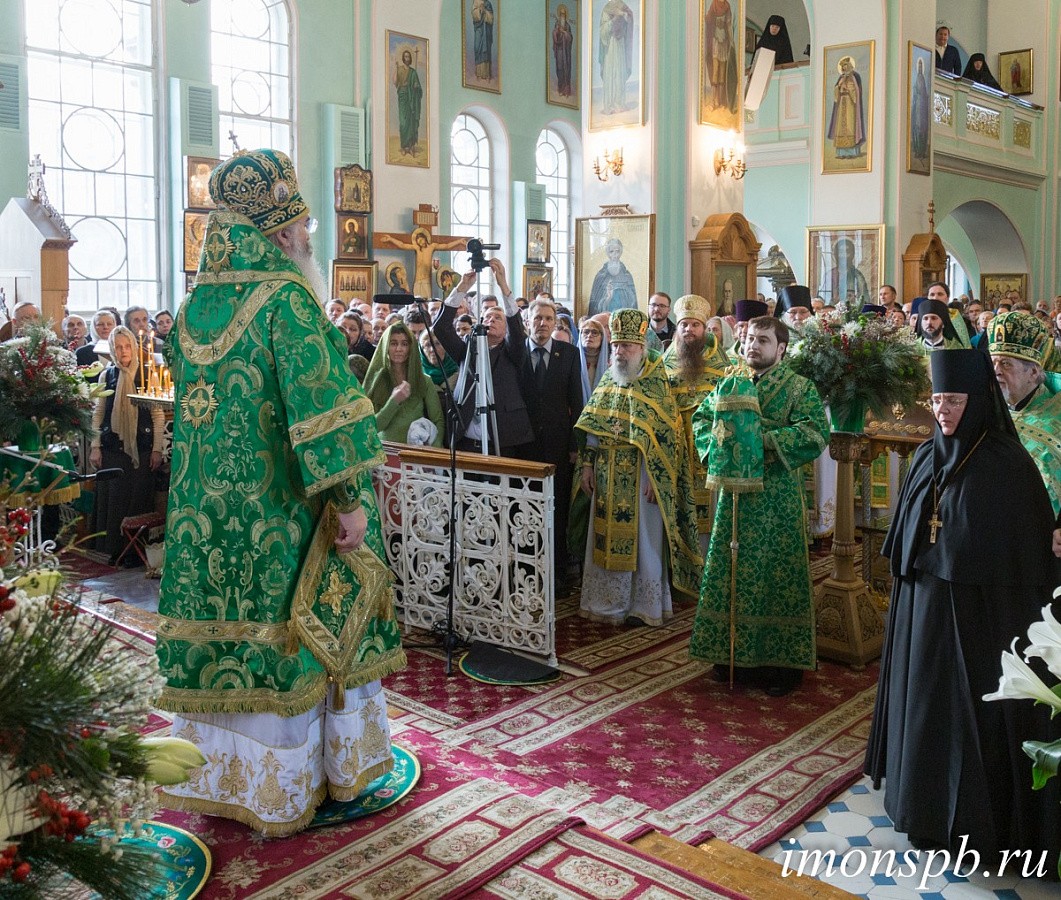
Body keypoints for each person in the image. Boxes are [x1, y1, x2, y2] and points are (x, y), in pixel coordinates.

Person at [156, 149, 406, 836]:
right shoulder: (287, 299)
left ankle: (227, 776)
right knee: (304, 638)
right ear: (281, 230)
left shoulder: (195, 306)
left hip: (207, 517)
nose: (306, 239)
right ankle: (303, 782)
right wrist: (348, 500)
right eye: (301, 227)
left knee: (236, 640)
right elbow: (323, 411)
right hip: (287, 512)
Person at [865, 349, 1060, 868]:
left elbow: (1028, 561)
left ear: (977, 400)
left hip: (982, 622)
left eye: (953, 400)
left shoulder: (1009, 466)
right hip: (924, 615)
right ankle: (923, 810)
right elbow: (908, 543)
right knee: (926, 708)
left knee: (971, 720)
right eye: (936, 400)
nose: (943, 411)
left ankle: (978, 824)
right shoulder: (926, 456)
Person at [690, 316, 830, 696]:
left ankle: (779, 665)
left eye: (763, 340)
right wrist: (720, 447)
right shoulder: (731, 382)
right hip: (734, 496)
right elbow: (702, 419)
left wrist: (761, 438)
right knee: (731, 571)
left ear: (781, 348)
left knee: (776, 574)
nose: (753, 346)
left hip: (777, 496)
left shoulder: (799, 387)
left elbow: (816, 433)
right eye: (750, 339)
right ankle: (729, 654)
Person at [576, 308, 702, 626]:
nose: (620, 352)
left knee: (645, 542)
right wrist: (588, 466)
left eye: (627, 346)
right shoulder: (609, 378)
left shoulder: (656, 382)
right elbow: (592, 427)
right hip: (607, 473)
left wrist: (657, 478)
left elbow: (668, 437)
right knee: (604, 539)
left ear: (641, 347)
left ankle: (643, 607)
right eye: (616, 345)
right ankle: (607, 603)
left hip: (643, 476)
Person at [434, 259, 534, 457]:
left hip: (503, 441)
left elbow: (516, 331)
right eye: (487, 317)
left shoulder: (513, 352)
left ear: (506, 328)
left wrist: (503, 286)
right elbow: (441, 328)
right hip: (466, 442)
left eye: (498, 318)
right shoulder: (467, 350)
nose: (491, 320)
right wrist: (461, 288)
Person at [522, 299, 584, 595]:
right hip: (522, 444)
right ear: (528, 321)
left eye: (549, 319)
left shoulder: (568, 353)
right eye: (538, 318)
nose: (543, 324)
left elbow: (576, 400)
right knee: (524, 507)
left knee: (555, 509)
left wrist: (574, 444)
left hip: (557, 445)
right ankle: (525, 570)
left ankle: (556, 574)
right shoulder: (517, 352)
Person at [88, 326, 165, 563]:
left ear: (134, 346)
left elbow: (157, 414)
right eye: (118, 347)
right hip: (113, 447)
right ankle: (113, 550)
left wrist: (157, 449)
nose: (123, 351)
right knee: (114, 501)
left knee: (138, 500)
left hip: (141, 448)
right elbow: (99, 412)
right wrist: (95, 446)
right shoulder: (107, 375)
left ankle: (134, 554)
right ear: (112, 349)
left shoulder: (147, 374)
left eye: (127, 346)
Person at [662, 294, 731, 549]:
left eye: (695, 325)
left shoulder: (722, 364)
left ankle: (709, 557)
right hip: (677, 445)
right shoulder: (666, 363)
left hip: (709, 446)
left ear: (704, 329)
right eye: (684, 324)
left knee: (710, 507)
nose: (688, 329)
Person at [988, 311, 1061, 516]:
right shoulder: (985, 410)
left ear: (1033, 372)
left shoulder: (1056, 414)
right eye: (993, 363)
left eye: (1006, 363)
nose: (996, 371)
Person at [363, 321, 444, 447]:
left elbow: (438, 420)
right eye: (393, 343)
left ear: (411, 348)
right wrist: (394, 401)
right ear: (385, 346)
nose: (399, 349)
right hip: (385, 451)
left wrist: (434, 450)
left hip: (416, 452)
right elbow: (371, 428)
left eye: (404, 344)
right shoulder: (376, 381)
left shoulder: (424, 380)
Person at [377, 227, 467, 300]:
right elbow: (402, 245)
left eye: (421, 240)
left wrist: (459, 241)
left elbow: (446, 246)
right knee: (416, 301)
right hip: (417, 280)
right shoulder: (417, 248)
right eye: (419, 241)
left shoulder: (432, 246)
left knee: (427, 301)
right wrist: (391, 239)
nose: (420, 243)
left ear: (425, 238)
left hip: (426, 281)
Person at [598, 0, 633, 115]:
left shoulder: (623, 6)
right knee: (610, 72)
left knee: (619, 72)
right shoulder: (606, 8)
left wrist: (625, 16)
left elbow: (629, 18)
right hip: (610, 45)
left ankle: (619, 103)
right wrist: (613, 21)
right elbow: (603, 30)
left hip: (620, 44)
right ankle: (609, 105)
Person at [827, 56, 866, 160]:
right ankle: (841, 153)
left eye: (845, 66)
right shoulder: (841, 78)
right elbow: (836, 90)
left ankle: (852, 152)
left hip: (850, 104)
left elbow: (857, 91)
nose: (844, 69)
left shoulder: (855, 76)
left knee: (850, 126)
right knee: (841, 127)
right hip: (841, 103)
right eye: (842, 67)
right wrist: (839, 87)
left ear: (849, 66)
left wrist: (848, 89)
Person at [587, 238, 637, 317]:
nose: (615, 255)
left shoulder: (627, 275)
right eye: (611, 251)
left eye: (617, 251)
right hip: (604, 317)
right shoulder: (601, 276)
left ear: (621, 253)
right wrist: (607, 298)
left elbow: (632, 302)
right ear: (607, 253)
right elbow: (594, 304)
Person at [703, 0, 737, 112]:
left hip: (724, 42)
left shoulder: (727, 6)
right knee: (715, 71)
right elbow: (708, 20)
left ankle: (721, 101)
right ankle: (714, 101)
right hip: (716, 41)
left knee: (722, 73)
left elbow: (729, 25)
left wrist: (731, 41)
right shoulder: (714, 5)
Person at [395, 48, 423, 157]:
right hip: (403, 97)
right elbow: (395, 82)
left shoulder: (413, 72)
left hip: (412, 100)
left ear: (410, 58)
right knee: (403, 123)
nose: (407, 58)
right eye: (405, 56)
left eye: (408, 57)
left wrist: (416, 87)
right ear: (403, 58)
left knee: (411, 123)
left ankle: (411, 147)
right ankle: (404, 146)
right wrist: (396, 69)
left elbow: (419, 88)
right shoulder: (400, 70)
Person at [910, 58, 930, 165]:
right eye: (919, 66)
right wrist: (918, 96)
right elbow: (915, 92)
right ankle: (918, 151)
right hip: (918, 107)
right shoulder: (917, 78)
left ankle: (922, 151)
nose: (921, 68)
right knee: (918, 128)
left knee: (923, 129)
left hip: (923, 108)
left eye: (922, 66)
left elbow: (924, 92)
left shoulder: (923, 79)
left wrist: (925, 96)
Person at [552, 3, 574, 97]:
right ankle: (560, 88)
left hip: (566, 52)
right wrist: (557, 31)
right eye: (561, 14)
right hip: (559, 51)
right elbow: (554, 36)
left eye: (563, 14)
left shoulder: (568, 26)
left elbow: (570, 38)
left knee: (566, 69)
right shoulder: (557, 24)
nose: (562, 16)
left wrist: (564, 32)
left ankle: (566, 91)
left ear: (565, 15)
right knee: (560, 69)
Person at [471, 0, 494, 81]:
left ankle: (486, 74)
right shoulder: (476, 2)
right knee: (477, 47)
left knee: (486, 50)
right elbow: (474, 15)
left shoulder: (488, 3)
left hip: (487, 31)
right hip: (479, 29)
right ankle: (479, 73)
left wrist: (485, 11)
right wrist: (479, 10)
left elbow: (491, 19)